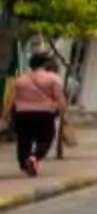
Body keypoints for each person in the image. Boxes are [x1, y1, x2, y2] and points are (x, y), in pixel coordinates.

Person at [8, 51, 68, 179]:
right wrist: (63, 112)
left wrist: (5, 115)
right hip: (45, 113)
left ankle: (25, 163)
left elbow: (11, 100)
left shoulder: (20, 79)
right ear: (46, 64)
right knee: (45, 138)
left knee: (24, 140)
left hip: (22, 114)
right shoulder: (53, 78)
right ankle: (34, 157)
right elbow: (59, 98)